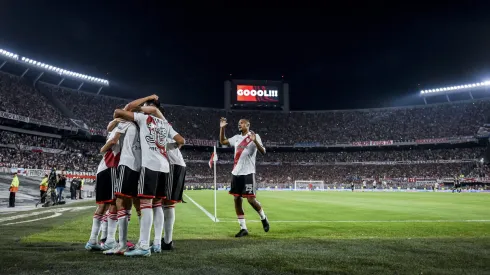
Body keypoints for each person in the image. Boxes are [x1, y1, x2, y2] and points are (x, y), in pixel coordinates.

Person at [113, 96, 184, 257]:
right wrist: (164, 147)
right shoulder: (166, 124)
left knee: (146, 203)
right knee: (158, 204)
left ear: (148, 108)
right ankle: (157, 243)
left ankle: (144, 246)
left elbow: (119, 111)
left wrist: (142, 107)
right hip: (164, 166)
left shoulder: (144, 118)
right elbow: (181, 141)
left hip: (150, 165)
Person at [219, 117, 269, 237]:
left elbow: (263, 152)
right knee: (236, 199)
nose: (239, 124)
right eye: (238, 123)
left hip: (248, 173)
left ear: (248, 125)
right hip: (236, 173)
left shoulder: (254, 135)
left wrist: (255, 141)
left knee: (251, 200)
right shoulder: (236, 138)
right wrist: (222, 129)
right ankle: (243, 228)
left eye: (241, 123)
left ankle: (263, 217)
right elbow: (223, 142)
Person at [85, 119, 123, 251]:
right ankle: (110, 240)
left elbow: (109, 127)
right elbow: (113, 142)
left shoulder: (112, 129)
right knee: (113, 204)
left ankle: (92, 240)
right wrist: (102, 149)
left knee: (103, 205)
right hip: (111, 167)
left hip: (102, 168)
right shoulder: (120, 128)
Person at [152, 136, 186, 252]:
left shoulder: (161, 127)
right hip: (171, 164)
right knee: (162, 202)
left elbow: (181, 142)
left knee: (167, 202)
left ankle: (167, 241)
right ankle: (166, 240)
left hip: (172, 164)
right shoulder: (161, 128)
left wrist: (166, 149)